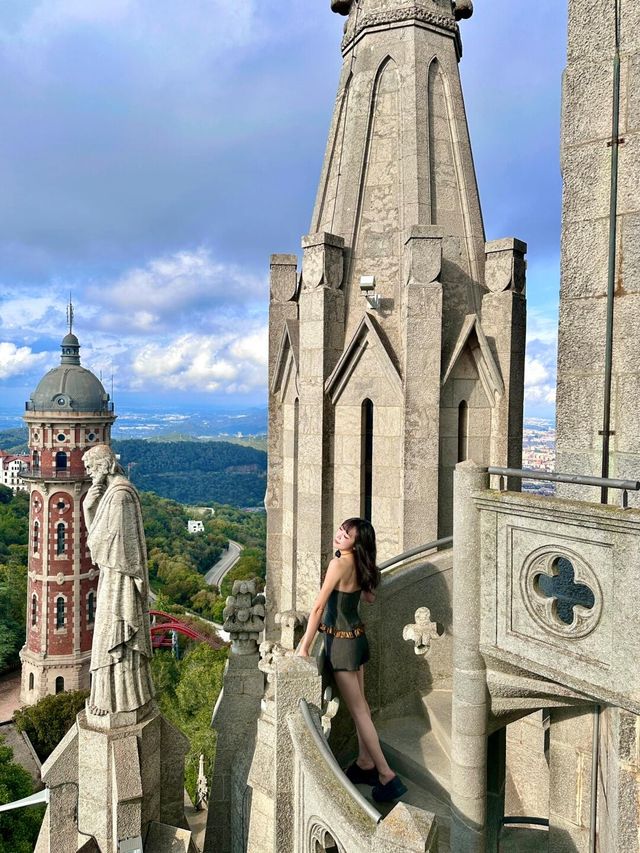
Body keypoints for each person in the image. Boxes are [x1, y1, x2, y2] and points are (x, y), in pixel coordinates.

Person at [297, 518, 407, 802]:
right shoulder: (362, 564)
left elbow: (319, 605)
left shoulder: (338, 564)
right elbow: (369, 598)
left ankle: (386, 775)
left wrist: (304, 646)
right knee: (364, 706)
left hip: (341, 644)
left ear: (356, 543)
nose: (339, 536)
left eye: (346, 535)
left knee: (358, 710)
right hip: (358, 639)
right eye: (340, 531)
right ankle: (364, 762)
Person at [83, 444, 155, 716]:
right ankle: (111, 698)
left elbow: (111, 546)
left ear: (103, 465)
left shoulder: (120, 496)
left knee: (113, 634)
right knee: (108, 635)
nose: (88, 473)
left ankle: (118, 701)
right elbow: (103, 541)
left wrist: (89, 511)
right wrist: (89, 509)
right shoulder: (113, 494)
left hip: (119, 581)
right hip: (113, 576)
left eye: (91, 467)